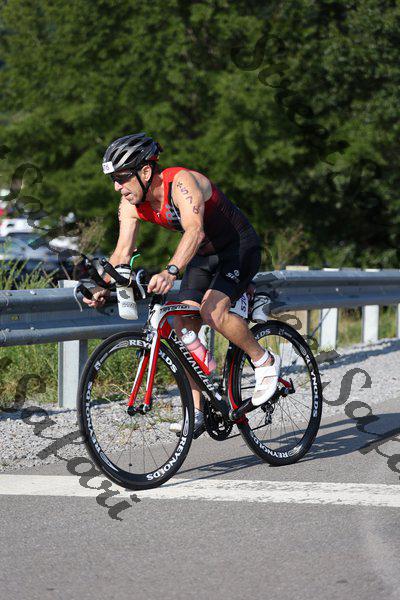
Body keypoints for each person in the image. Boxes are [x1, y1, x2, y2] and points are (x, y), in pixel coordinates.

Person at [85, 132, 280, 435]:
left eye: (122, 178)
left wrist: (171, 271)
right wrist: (101, 287)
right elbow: (122, 252)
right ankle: (198, 410)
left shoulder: (181, 183)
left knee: (212, 312)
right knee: (180, 322)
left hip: (237, 248)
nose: (117, 187)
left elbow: (194, 231)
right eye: (114, 180)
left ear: (145, 172)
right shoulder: (130, 204)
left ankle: (264, 360)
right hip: (203, 257)